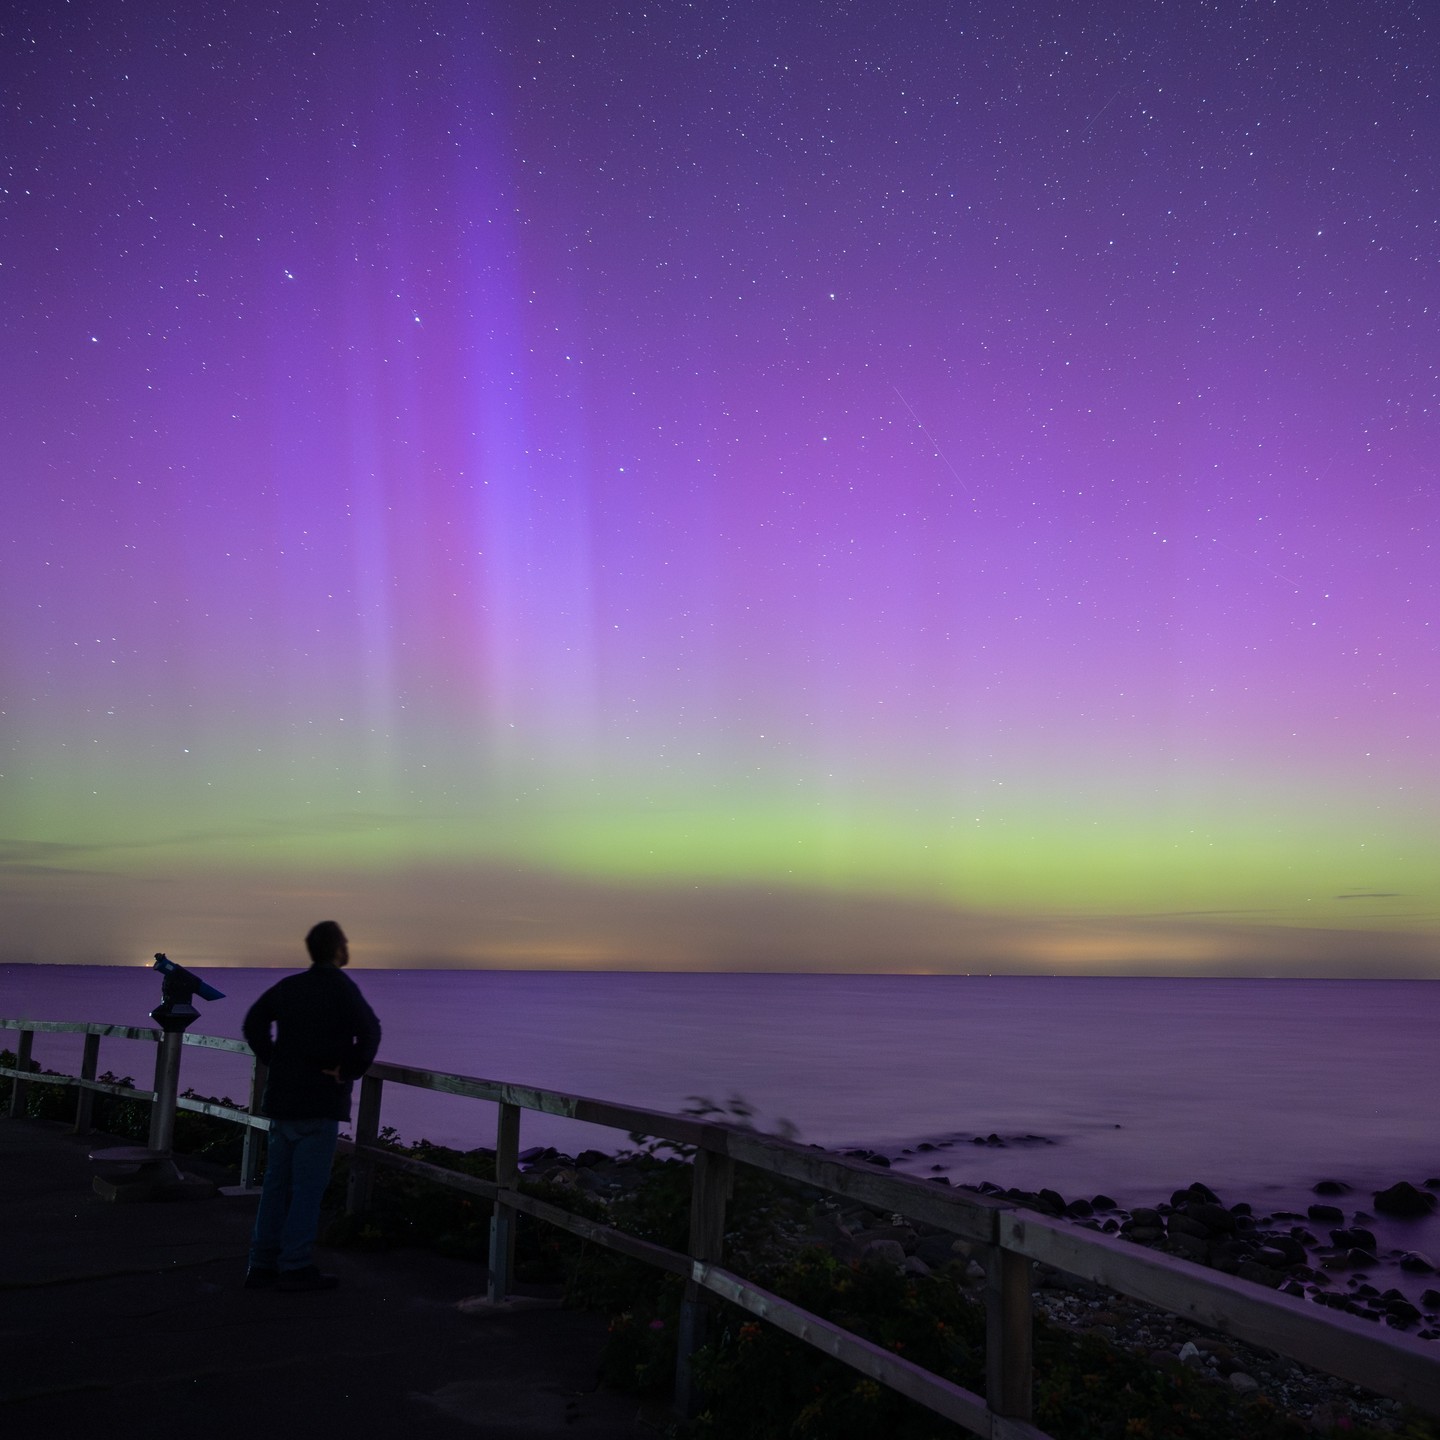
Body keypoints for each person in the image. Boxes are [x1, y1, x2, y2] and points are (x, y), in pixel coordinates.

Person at [241, 920, 381, 1292]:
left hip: (283, 1099)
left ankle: (261, 1262)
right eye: (345, 942)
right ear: (337, 949)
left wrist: (275, 1059)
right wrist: (348, 1069)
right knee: (307, 1189)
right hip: (319, 1100)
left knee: (275, 1185)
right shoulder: (341, 988)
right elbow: (371, 1031)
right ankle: (295, 1264)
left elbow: (253, 1022)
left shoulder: (290, 987)